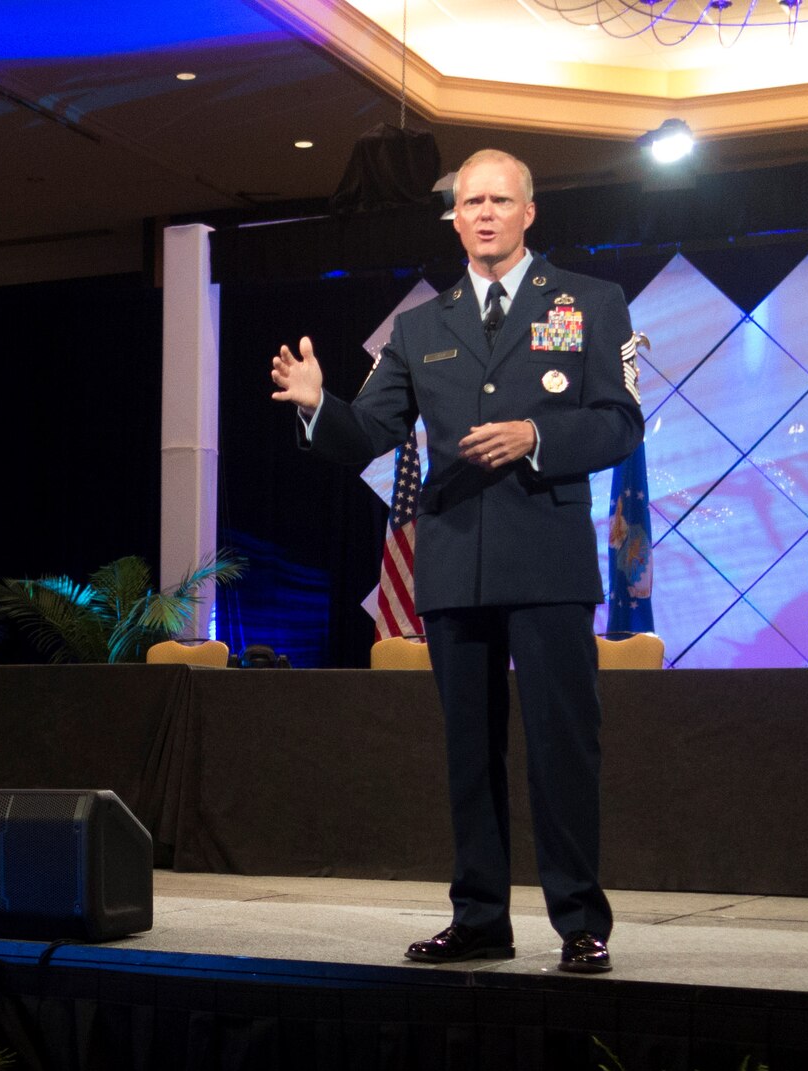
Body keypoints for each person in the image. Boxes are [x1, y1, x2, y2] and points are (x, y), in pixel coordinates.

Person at [269, 149, 644, 973]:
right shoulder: (419, 327)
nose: (483, 213)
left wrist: (537, 436)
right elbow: (368, 431)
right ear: (454, 217)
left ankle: (581, 921)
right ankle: (479, 918)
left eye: (499, 200)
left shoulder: (590, 302)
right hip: (452, 563)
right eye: (470, 201)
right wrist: (316, 406)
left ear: (528, 212)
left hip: (545, 558)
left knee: (560, 747)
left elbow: (621, 422)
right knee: (469, 754)